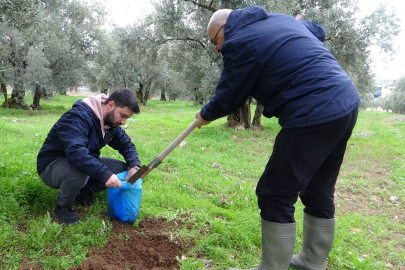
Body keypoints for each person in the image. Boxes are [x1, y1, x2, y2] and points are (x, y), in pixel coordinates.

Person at [195, 5, 360, 270]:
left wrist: (205, 114)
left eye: (214, 40)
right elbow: (319, 30)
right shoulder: (279, 20)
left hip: (312, 112)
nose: (216, 49)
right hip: (345, 105)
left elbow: (230, 95)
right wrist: (294, 24)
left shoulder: (240, 41)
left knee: (274, 193)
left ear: (225, 28)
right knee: (318, 187)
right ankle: (312, 260)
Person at [37, 88, 142, 225]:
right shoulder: (77, 117)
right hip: (51, 166)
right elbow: (76, 152)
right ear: (110, 105)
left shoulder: (109, 123)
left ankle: (82, 193)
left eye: (126, 118)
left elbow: (126, 144)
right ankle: (62, 208)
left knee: (121, 168)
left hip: (78, 162)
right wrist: (104, 174)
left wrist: (134, 165)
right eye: (122, 115)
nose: (123, 122)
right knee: (79, 172)